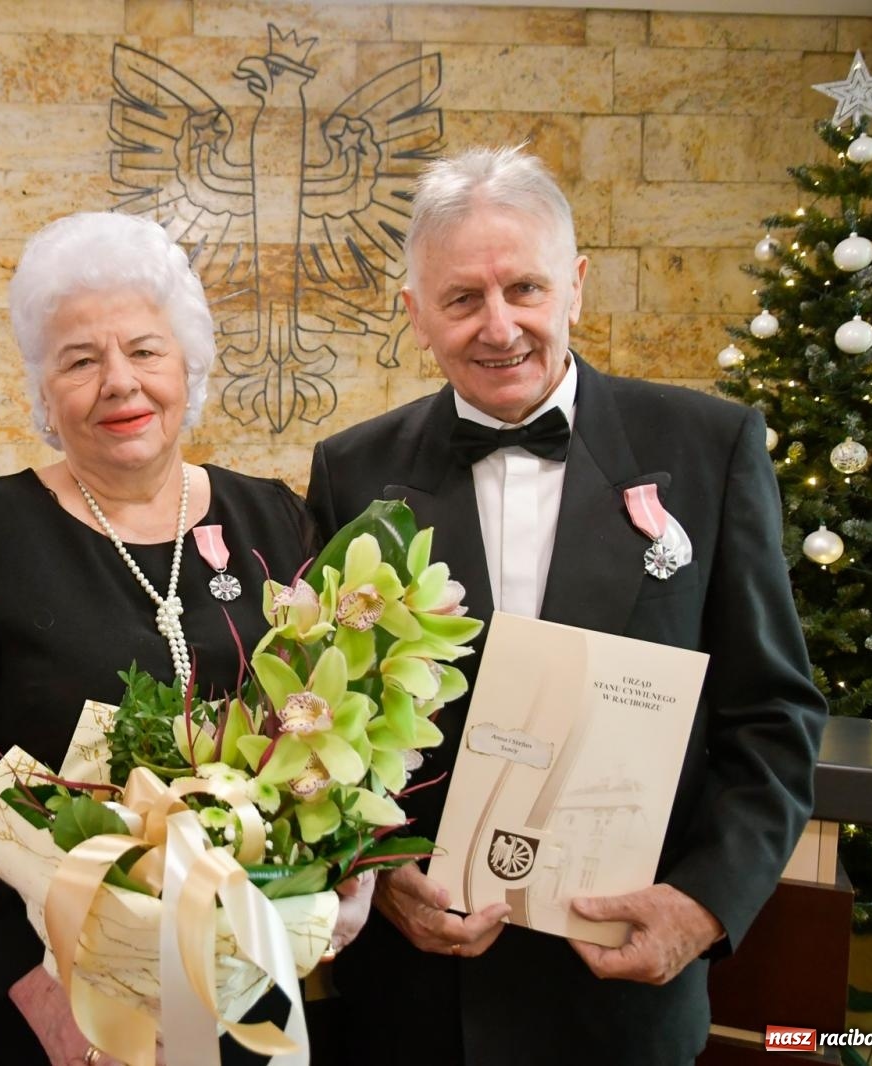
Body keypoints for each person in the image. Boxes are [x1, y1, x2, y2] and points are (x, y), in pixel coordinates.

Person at [305, 145, 828, 1066]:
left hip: (620, 998)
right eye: (462, 298)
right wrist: (376, 875)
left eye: (526, 290)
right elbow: (323, 724)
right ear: (414, 314)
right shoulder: (352, 473)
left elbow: (773, 718)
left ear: (577, 288)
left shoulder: (712, 447)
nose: (498, 326)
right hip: (417, 1008)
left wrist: (700, 907)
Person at [0, 211, 374, 1066]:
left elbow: (336, 731)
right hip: (52, 1007)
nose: (119, 382)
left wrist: (337, 881)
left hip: (250, 990)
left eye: (145, 351)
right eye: (80, 360)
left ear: (189, 365)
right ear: (44, 393)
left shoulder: (271, 513)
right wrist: (43, 998)